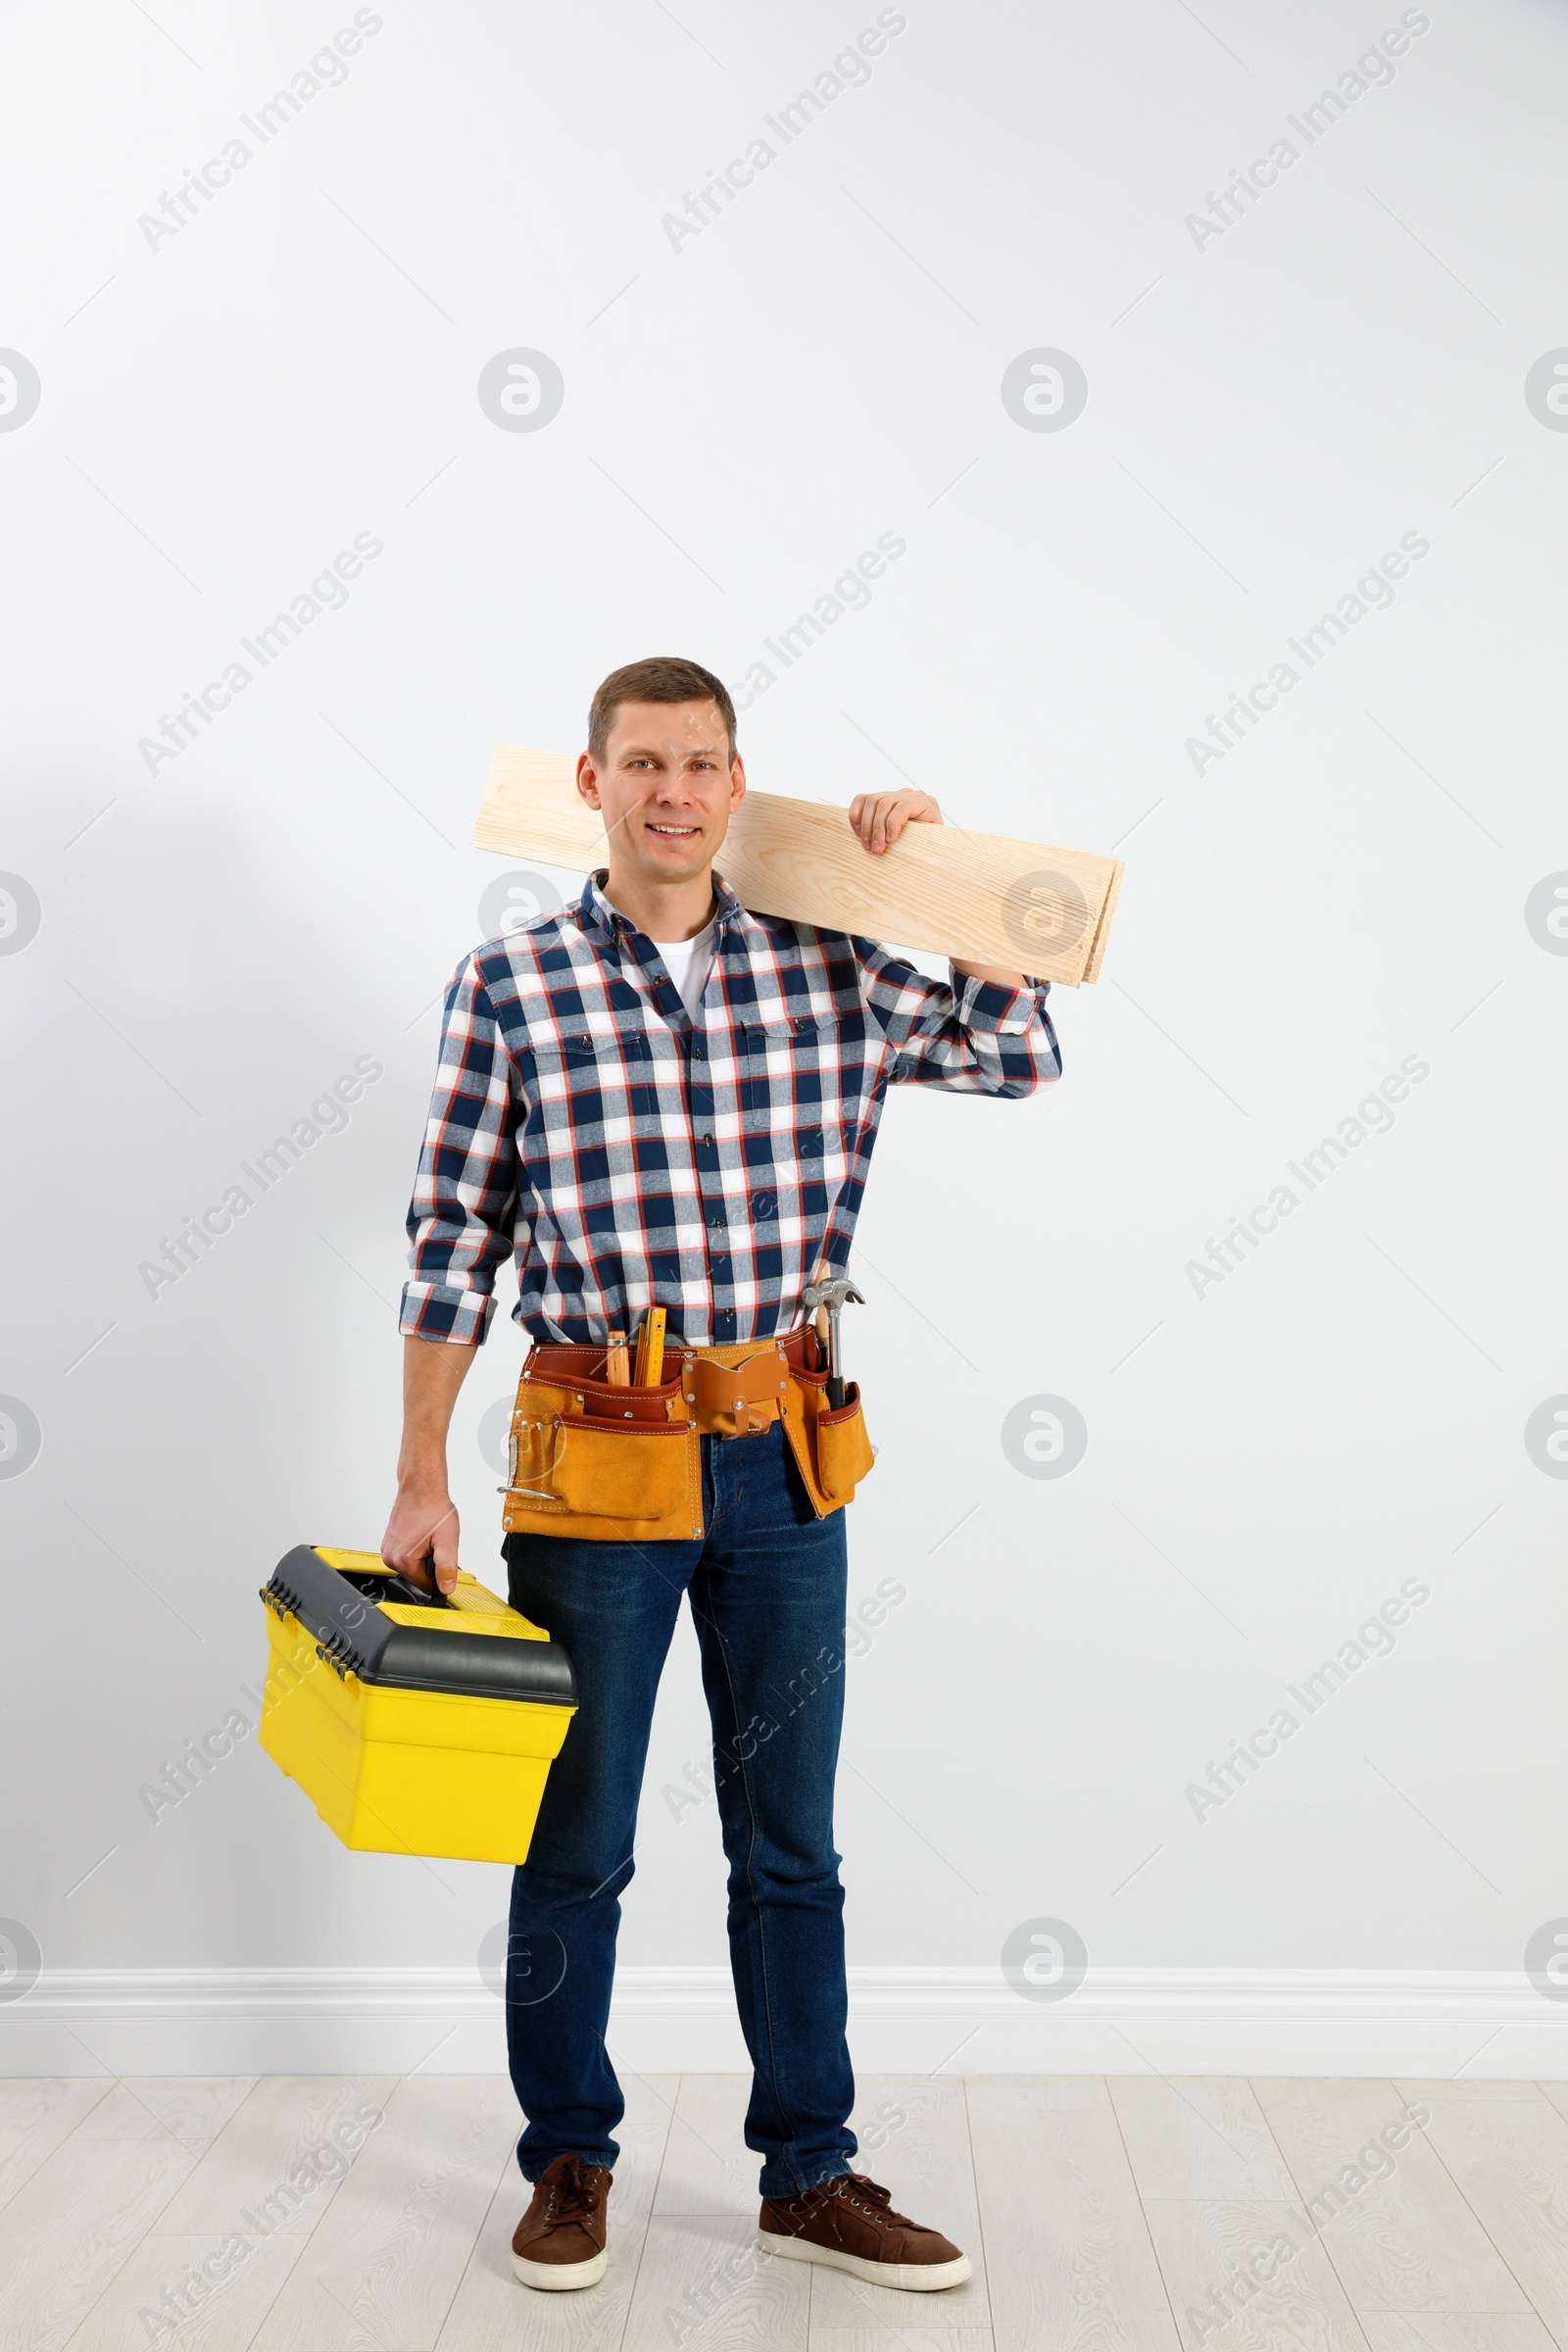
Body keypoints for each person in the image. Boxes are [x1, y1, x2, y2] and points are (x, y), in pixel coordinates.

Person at [381, 655, 1060, 2293]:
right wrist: (418, 1476)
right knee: (577, 1842)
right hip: (595, 1472)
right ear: (591, 784)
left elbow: (1017, 1052)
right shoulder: (515, 986)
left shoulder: (833, 966)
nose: (673, 792)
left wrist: (949, 882)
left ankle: (808, 2174)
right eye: (643, 764)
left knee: (790, 1847)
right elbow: (449, 1243)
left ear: (736, 785)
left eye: (700, 764)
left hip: (782, 1469)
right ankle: (567, 2159)